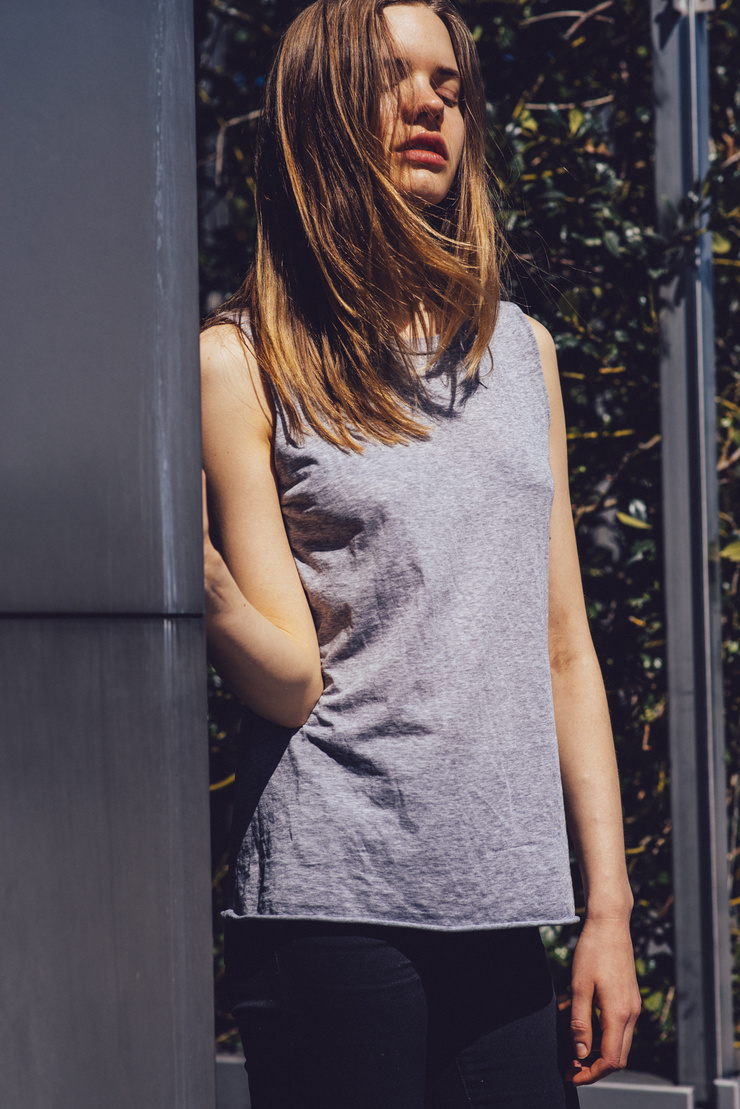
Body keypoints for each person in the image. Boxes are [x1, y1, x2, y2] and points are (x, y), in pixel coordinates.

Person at [200, 0, 641, 1105]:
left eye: (449, 85)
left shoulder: (521, 351)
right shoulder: (243, 360)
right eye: (394, 75)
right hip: (330, 901)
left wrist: (607, 905)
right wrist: (194, 579)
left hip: (505, 903)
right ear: (323, 105)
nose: (431, 104)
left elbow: (563, 648)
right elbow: (292, 681)